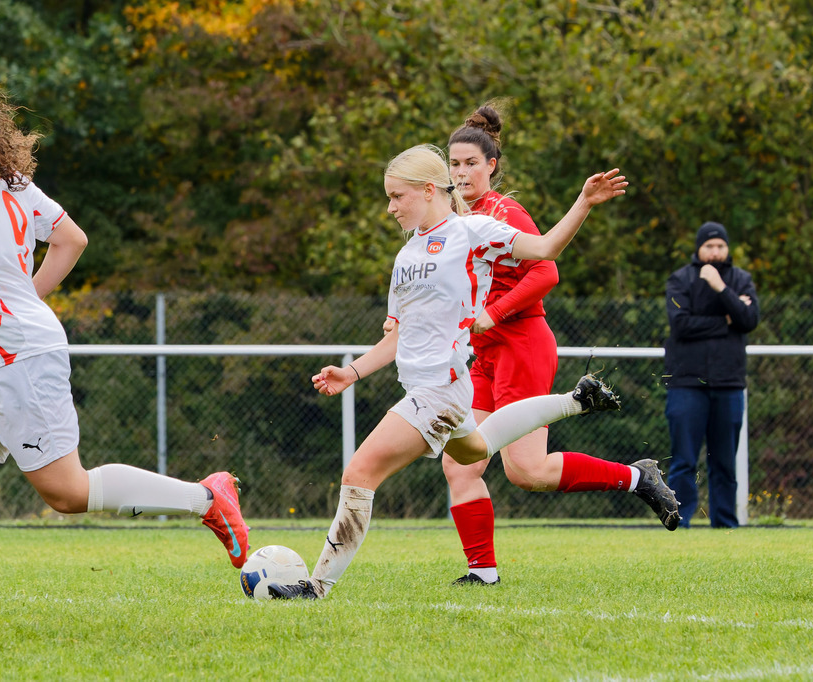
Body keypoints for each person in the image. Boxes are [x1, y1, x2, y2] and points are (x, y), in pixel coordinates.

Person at [0, 83, 249, 636]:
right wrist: (26, 300)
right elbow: (72, 240)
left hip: (17, 357)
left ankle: (206, 498)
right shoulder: (8, 178)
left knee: (68, 493)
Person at [268, 144, 657, 601]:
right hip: (434, 389)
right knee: (477, 449)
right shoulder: (406, 256)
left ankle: (316, 587)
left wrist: (584, 202)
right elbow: (398, 335)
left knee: (359, 472)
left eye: (397, 196)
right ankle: (575, 401)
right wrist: (351, 373)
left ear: (428, 190)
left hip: (440, 391)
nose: (390, 207)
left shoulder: (473, 231)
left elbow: (547, 250)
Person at [440, 106, 681, 587]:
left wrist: (492, 314)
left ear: (491, 165)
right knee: (460, 461)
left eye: (471, 163)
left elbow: (546, 270)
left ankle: (638, 478)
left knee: (526, 471)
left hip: (522, 344)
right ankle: (481, 572)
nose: (461, 172)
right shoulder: (455, 217)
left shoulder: (504, 211)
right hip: (485, 354)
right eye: (454, 163)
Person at [664, 221, 758, 528]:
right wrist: (726, 321)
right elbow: (681, 325)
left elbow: (748, 320)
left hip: (729, 384)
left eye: (720, 246)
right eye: (709, 246)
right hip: (686, 383)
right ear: (699, 248)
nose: (715, 252)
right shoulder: (680, 279)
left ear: (727, 248)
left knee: (724, 462)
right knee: (683, 460)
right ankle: (678, 521)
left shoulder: (740, 280)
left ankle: (725, 524)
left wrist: (720, 287)